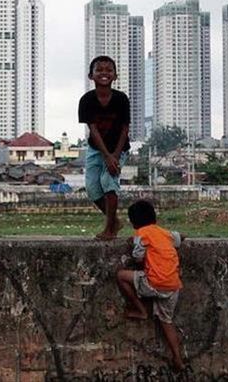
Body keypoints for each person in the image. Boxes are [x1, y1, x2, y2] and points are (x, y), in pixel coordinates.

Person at [116, 200, 186, 371]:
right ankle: (178, 358)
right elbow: (180, 237)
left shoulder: (142, 234)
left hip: (153, 283)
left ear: (134, 222)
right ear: (154, 217)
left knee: (121, 276)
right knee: (166, 321)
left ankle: (140, 309)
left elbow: (138, 257)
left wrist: (135, 243)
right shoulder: (165, 233)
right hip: (173, 285)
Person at [78, 55, 130, 241]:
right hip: (96, 149)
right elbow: (93, 130)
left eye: (108, 70)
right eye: (99, 70)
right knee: (92, 189)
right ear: (91, 75)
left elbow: (125, 128)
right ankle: (114, 220)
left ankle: (110, 229)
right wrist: (106, 156)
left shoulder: (121, 99)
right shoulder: (86, 100)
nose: (104, 73)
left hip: (119, 148)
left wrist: (114, 156)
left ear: (115, 75)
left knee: (108, 182)